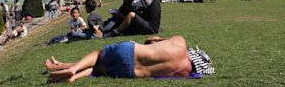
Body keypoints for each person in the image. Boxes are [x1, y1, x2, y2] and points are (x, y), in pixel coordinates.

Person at [45, 35, 193, 83]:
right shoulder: (184, 72)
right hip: (130, 72)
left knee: (97, 55)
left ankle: (72, 69)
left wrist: (156, 40)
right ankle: (70, 74)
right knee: (96, 68)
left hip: (130, 51)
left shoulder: (180, 41)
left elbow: (152, 39)